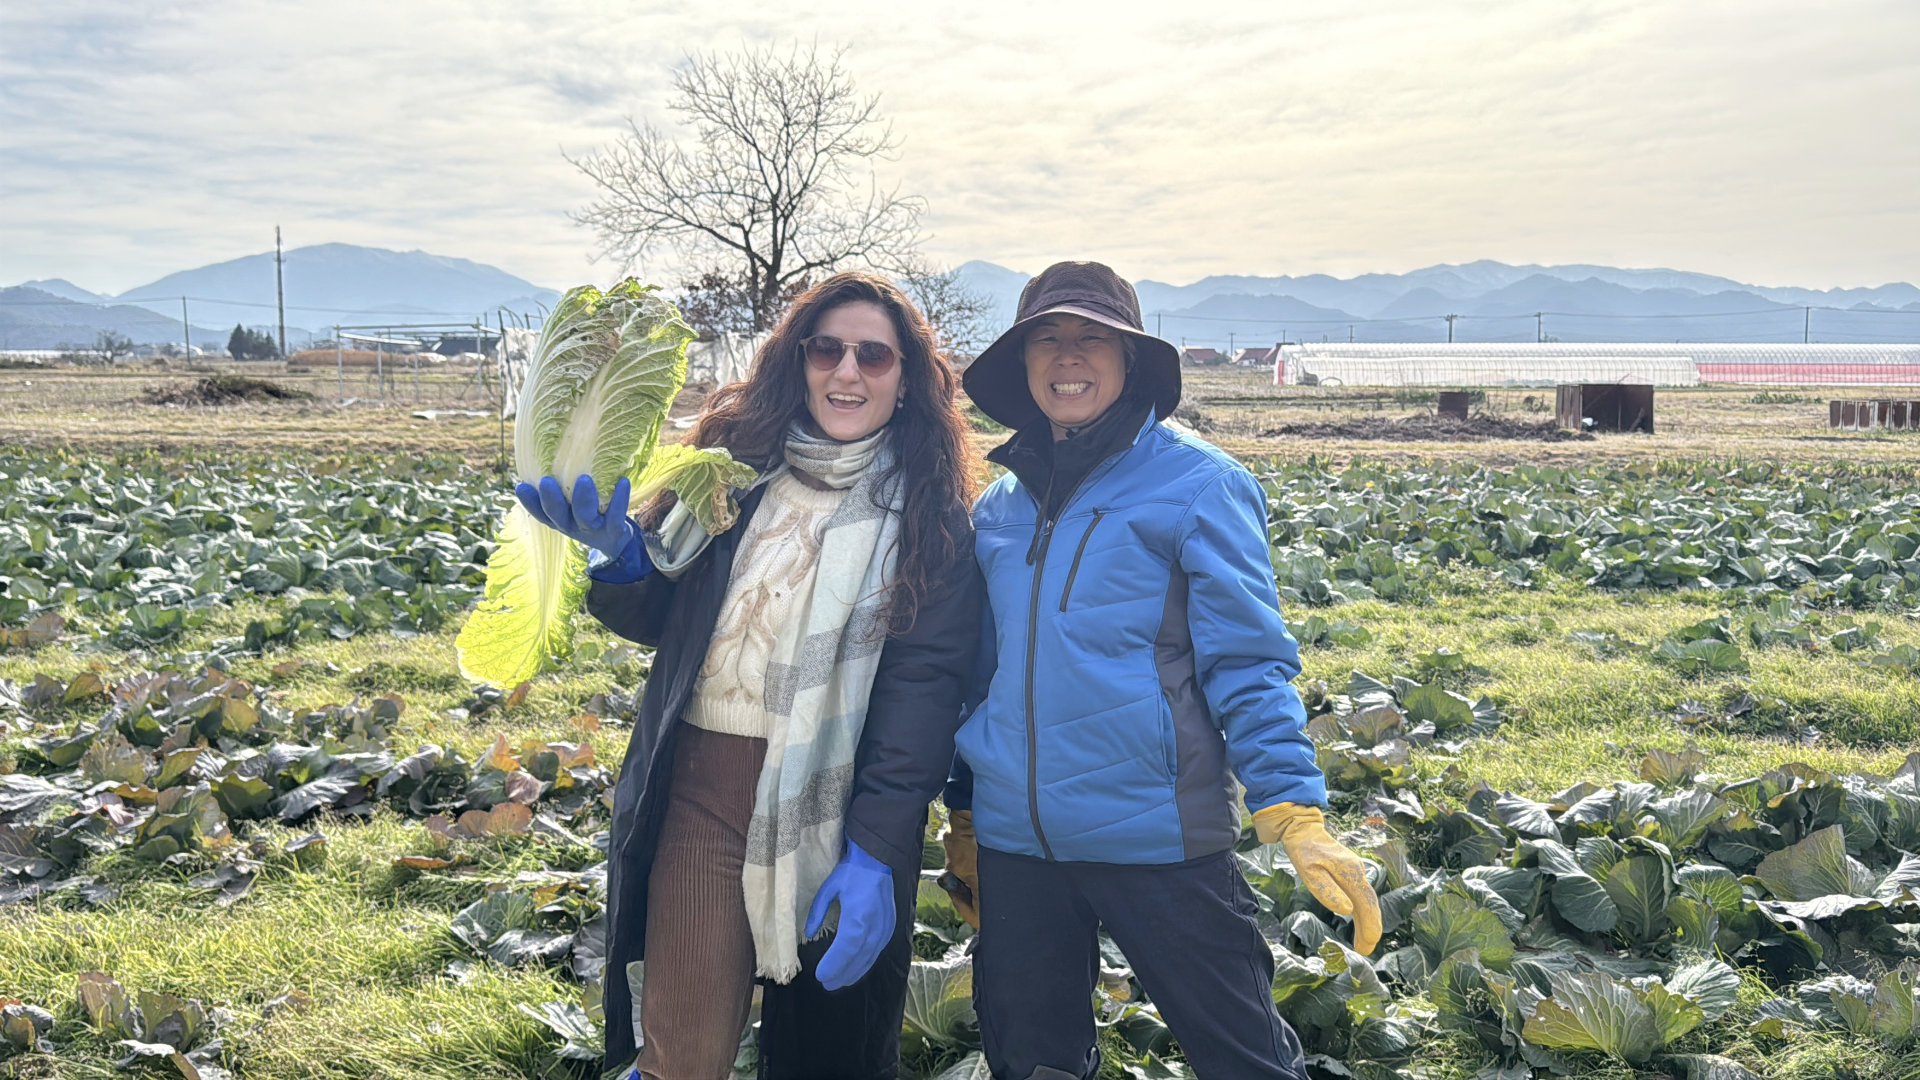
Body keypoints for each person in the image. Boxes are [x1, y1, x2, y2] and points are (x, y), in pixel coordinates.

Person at [516, 272, 982, 1080]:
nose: (847, 372)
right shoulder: (733, 470)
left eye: (874, 356)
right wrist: (627, 560)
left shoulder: (931, 521)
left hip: (837, 811)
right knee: (681, 1055)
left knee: (826, 1062)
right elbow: (664, 614)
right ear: (797, 361)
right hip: (704, 788)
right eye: (827, 349)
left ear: (907, 380)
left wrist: (874, 850)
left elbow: (925, 696)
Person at [941, 261, 1382, 1080]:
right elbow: (982, 675)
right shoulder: (999, 507)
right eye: (1048, 337)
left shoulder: (1201, 487)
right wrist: (966, 812)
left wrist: (1293, 809)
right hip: (1017, 847)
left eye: (1092, 337)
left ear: (1131, 359)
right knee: (1031, 1063)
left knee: (1243, 1059)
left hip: (1158, 839)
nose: (1068, 356)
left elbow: (1248, 662)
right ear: (1024, 361)